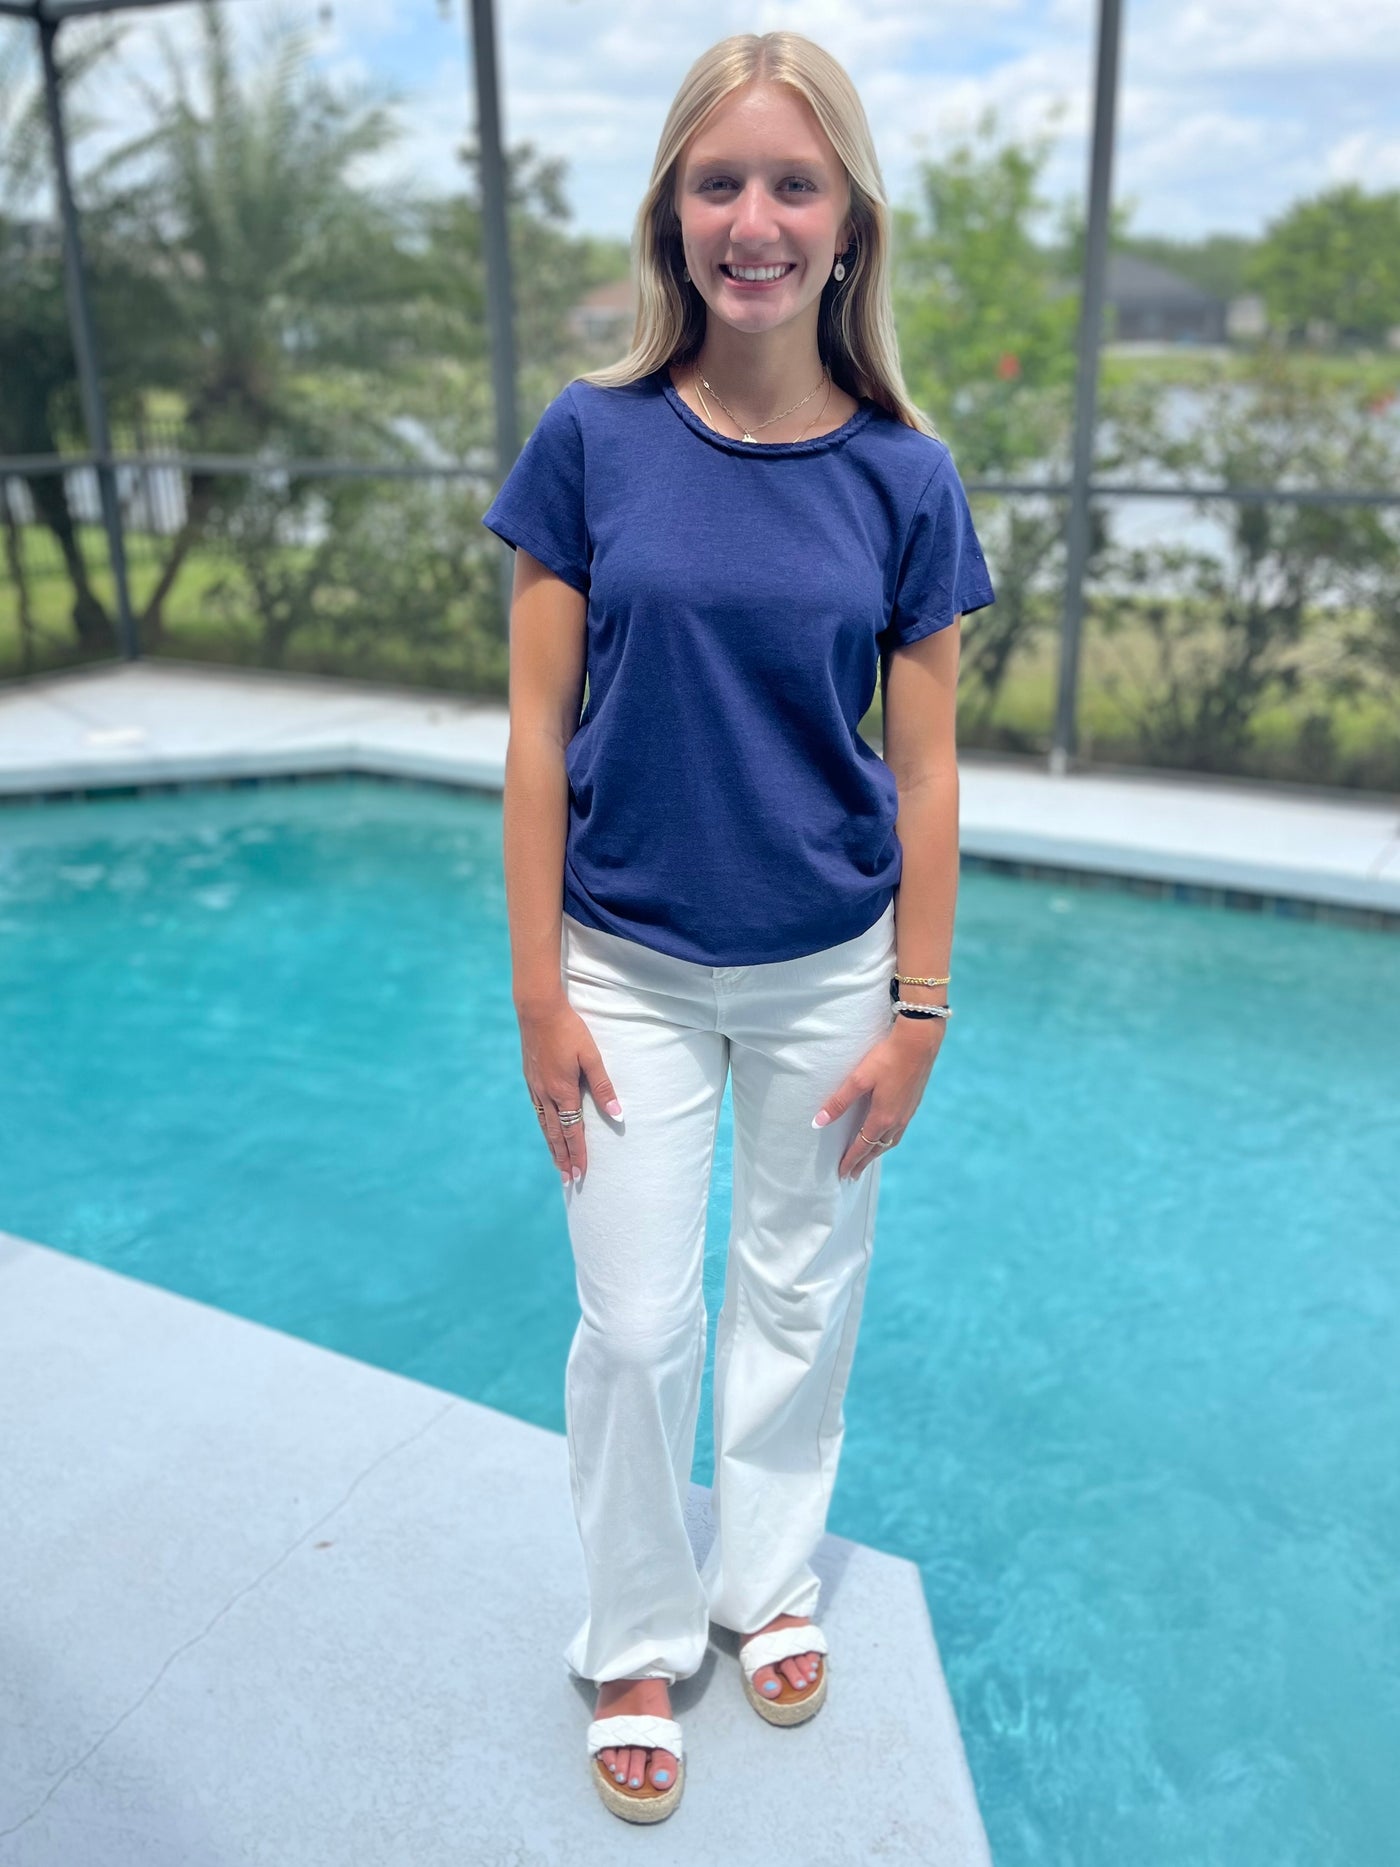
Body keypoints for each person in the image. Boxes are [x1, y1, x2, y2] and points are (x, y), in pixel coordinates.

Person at [482, 28, 995, 1824]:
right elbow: (539, 730)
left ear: (848, 219)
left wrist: (919, 1010)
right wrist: (538, 989)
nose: (755, 219)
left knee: (799, 1303)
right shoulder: (592, 440)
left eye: (793, 183)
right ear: (671, 213)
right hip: (619, 959)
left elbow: (923, 773)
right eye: (721, 183)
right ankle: (634, 1628)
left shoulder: (905, 477)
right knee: (635, 1327)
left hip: (826, 970)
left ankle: (760, 1580)